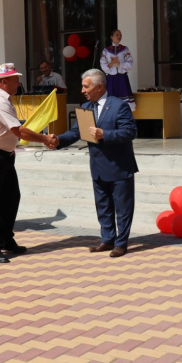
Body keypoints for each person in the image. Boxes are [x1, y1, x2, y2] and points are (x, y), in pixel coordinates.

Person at [48, 68, 138, 258]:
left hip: (119, 167)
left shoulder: (119, 106)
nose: (82, 90)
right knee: (103, 207)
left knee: (122, 209)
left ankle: (121, 244)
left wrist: (105, 134)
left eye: (86, 86)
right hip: (98, 167)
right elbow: (76, 132)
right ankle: (107, 239)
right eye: (82, 86)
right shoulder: (86, 108)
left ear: (99, 87)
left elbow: (130, 132)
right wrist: (58, 141)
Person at [0, 63, 54, 264]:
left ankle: (5, 238)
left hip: (3, 155)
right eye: (15, 80)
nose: (19, 83)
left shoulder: (3, 97)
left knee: (11, 198)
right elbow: (18, 131)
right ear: (4, 82)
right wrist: (45, 138)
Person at [100, 29, 134, 103]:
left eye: (120, 35)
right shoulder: (106, 50)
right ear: (111, 37)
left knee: (124, 100)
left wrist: (120, 64)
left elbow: (130, 63)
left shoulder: (125, 49)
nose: (119, 36)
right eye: (117, 35)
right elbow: (103, 64)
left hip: (122, 78)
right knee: (111, 100)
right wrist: (112, 63)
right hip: (111, 78)